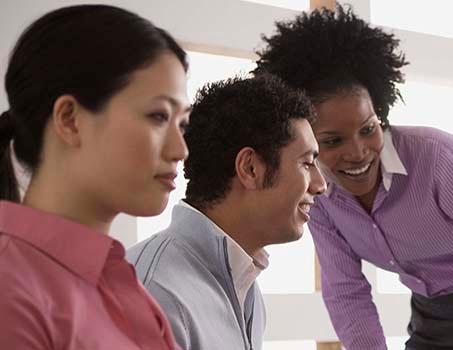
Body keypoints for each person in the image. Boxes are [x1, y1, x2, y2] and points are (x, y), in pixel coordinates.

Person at [255, 6, 453, 350]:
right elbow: (347, 293)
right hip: (432, 319)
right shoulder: (318, 197)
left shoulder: (438, 157)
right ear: (307, 140)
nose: (359, 152)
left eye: (368, 129)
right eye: (333, 141)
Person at [0, 5, 189, 349]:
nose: (180, 150)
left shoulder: (120, 279)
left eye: (183, 124)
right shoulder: (10, 291)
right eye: (158, 116)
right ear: (70, 119)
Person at [127, 75, 327, 350]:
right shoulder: (154, 293)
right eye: (307, 163)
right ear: (250, 169)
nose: (321, 185)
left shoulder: (245, 287)